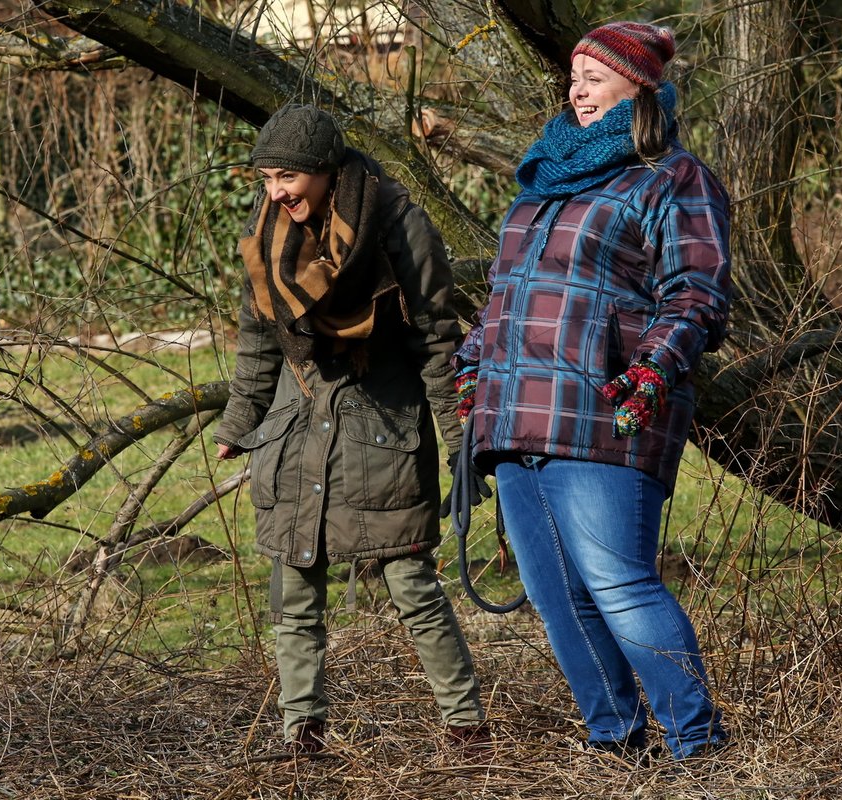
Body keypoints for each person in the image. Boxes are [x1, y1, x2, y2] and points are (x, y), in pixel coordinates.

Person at [455, 22, 730, 760]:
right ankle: (618, 745)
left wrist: (652, 370)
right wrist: (476, 358)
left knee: (620, 585)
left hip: (604, 412)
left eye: (594, 77)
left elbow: (697, 293)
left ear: (637, 88)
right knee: (558, 600)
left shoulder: (672, 177)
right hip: (515, 413)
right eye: (573, 77)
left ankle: (697, 749)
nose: (576, 90)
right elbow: (507, 292)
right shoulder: (545, 176)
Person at [213, 104, 488, 755]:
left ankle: (467, 726)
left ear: (326, 171)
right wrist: (240, 419)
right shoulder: (267, 229)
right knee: (293, 594)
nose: (277, 192)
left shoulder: (398, 224)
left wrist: (461, 444)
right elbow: (259, 337)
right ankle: (301, 734)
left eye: (288, 177)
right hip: (293, 431)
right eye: (267, 178)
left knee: (413, 589)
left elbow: (436, 341)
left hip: (383, 434)